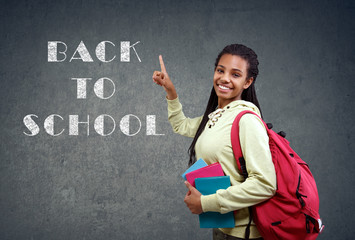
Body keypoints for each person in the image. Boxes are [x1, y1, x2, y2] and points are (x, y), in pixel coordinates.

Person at [152, 44, 277, 240]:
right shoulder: (216, 117)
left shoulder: (247, 120)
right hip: (222, 227)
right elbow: (181, 125)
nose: (225, 78)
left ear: (248, 82)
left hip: (244, 235)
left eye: (235, 74)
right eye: (220, 70)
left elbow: (265, 184)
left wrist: (206, 203)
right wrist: (170, 91)